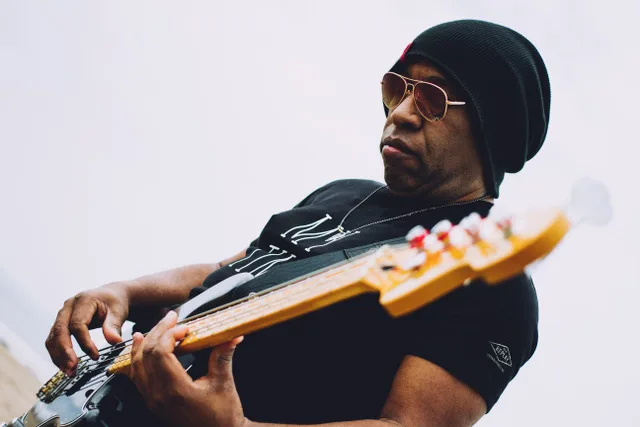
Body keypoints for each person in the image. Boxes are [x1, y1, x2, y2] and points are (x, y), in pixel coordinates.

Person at [45, 19, 550, 427]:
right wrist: (123, 292)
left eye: (432, 99)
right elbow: (232, 272)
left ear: (493, 130)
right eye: (397, 89)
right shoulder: (343, 192)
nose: (400, 113)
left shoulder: (493, 280)